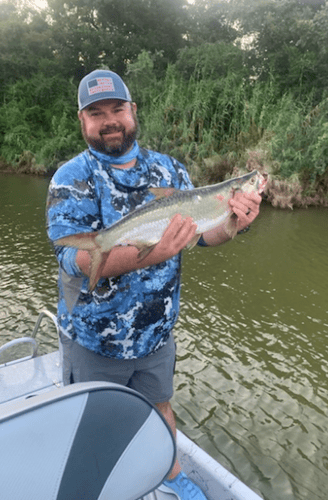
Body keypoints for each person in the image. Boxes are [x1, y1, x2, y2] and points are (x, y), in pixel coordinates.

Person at [46, 69, 262, 499]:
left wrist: (234, 221)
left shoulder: (169, 169)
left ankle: (171, 475)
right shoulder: (70, 178)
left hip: (156, 337)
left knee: (162, 408)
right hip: (95, 342)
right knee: (95, 427)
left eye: (117, 109)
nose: (110, 119)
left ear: (133, 111)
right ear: (82, 121)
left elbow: (205, 234)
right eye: (97, 112)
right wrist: (154, 251)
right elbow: (72, 258)